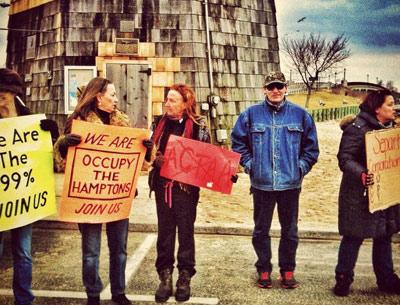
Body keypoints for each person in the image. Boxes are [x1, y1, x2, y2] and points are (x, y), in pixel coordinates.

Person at [54, 77, 148, 305]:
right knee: (91, 252)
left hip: (117, 196)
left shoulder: (122, 122)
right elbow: (62, 162)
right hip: (89, 197)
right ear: (99, 96)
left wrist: (146, 150)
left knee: (120, 250)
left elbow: (136, 162)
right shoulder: (77, 121)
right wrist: (64, 144)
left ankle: (118, 292)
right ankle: (93, 294)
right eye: (112, 95)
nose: (116, 99)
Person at [231, 71, 319, 289]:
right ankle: (263, 269)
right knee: (261, 230)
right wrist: (251, 166)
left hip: (290, 185)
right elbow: (238, 144)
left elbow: (311, 149)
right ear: (264, 90)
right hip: (261, 185)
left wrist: (300, 168)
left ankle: (287, 270)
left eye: (279, 86)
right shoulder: (250, 115)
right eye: (271, 87)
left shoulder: (301, 115)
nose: (276, 90)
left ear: (286, 88)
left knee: (289, 230)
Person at [146, 84, 210, 303]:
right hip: (162, 187)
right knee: (165, 233)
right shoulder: (158, 124)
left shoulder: (199, 127)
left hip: (185, 189)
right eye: (167, 100)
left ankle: (185, 276)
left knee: (185, 232)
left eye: (172, 100)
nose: (167, 104)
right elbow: (148, 154)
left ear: (186, 104)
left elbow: (205, 159)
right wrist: (155, 158)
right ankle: (165, 276)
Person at [0, 68, 59, 305]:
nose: (1, 95)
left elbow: (43, 155)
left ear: (14, 93)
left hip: (22, 197)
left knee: (23, 252)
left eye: (4, 91)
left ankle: (23, 298)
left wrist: (51, 134)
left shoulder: (29, 119)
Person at [333, 90, 400, 296]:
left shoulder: (392, 130)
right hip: (359, 194)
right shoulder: (357, 129)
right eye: (390, 104)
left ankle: (386, 279)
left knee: (384, 235)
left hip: (384, 192)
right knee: (353, 236)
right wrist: (363, 174)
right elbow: (344, 158)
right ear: (378, 108)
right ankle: (343, 278)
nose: (394, 108)